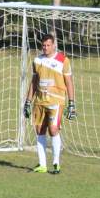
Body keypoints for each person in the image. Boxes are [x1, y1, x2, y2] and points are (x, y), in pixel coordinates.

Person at [23, 34, 76, 174]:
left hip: (56, 101)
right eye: (43, 45)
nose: (45, 48)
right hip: (39, 101)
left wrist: (71, 103)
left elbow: (69, 82)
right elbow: (34, 82)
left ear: (54, 45)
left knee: (53, 129)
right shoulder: (37, 60)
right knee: (39, 130)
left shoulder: (63, 60)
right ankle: (42, 164)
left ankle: (56, 163)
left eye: (48, 45)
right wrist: (28, 101)